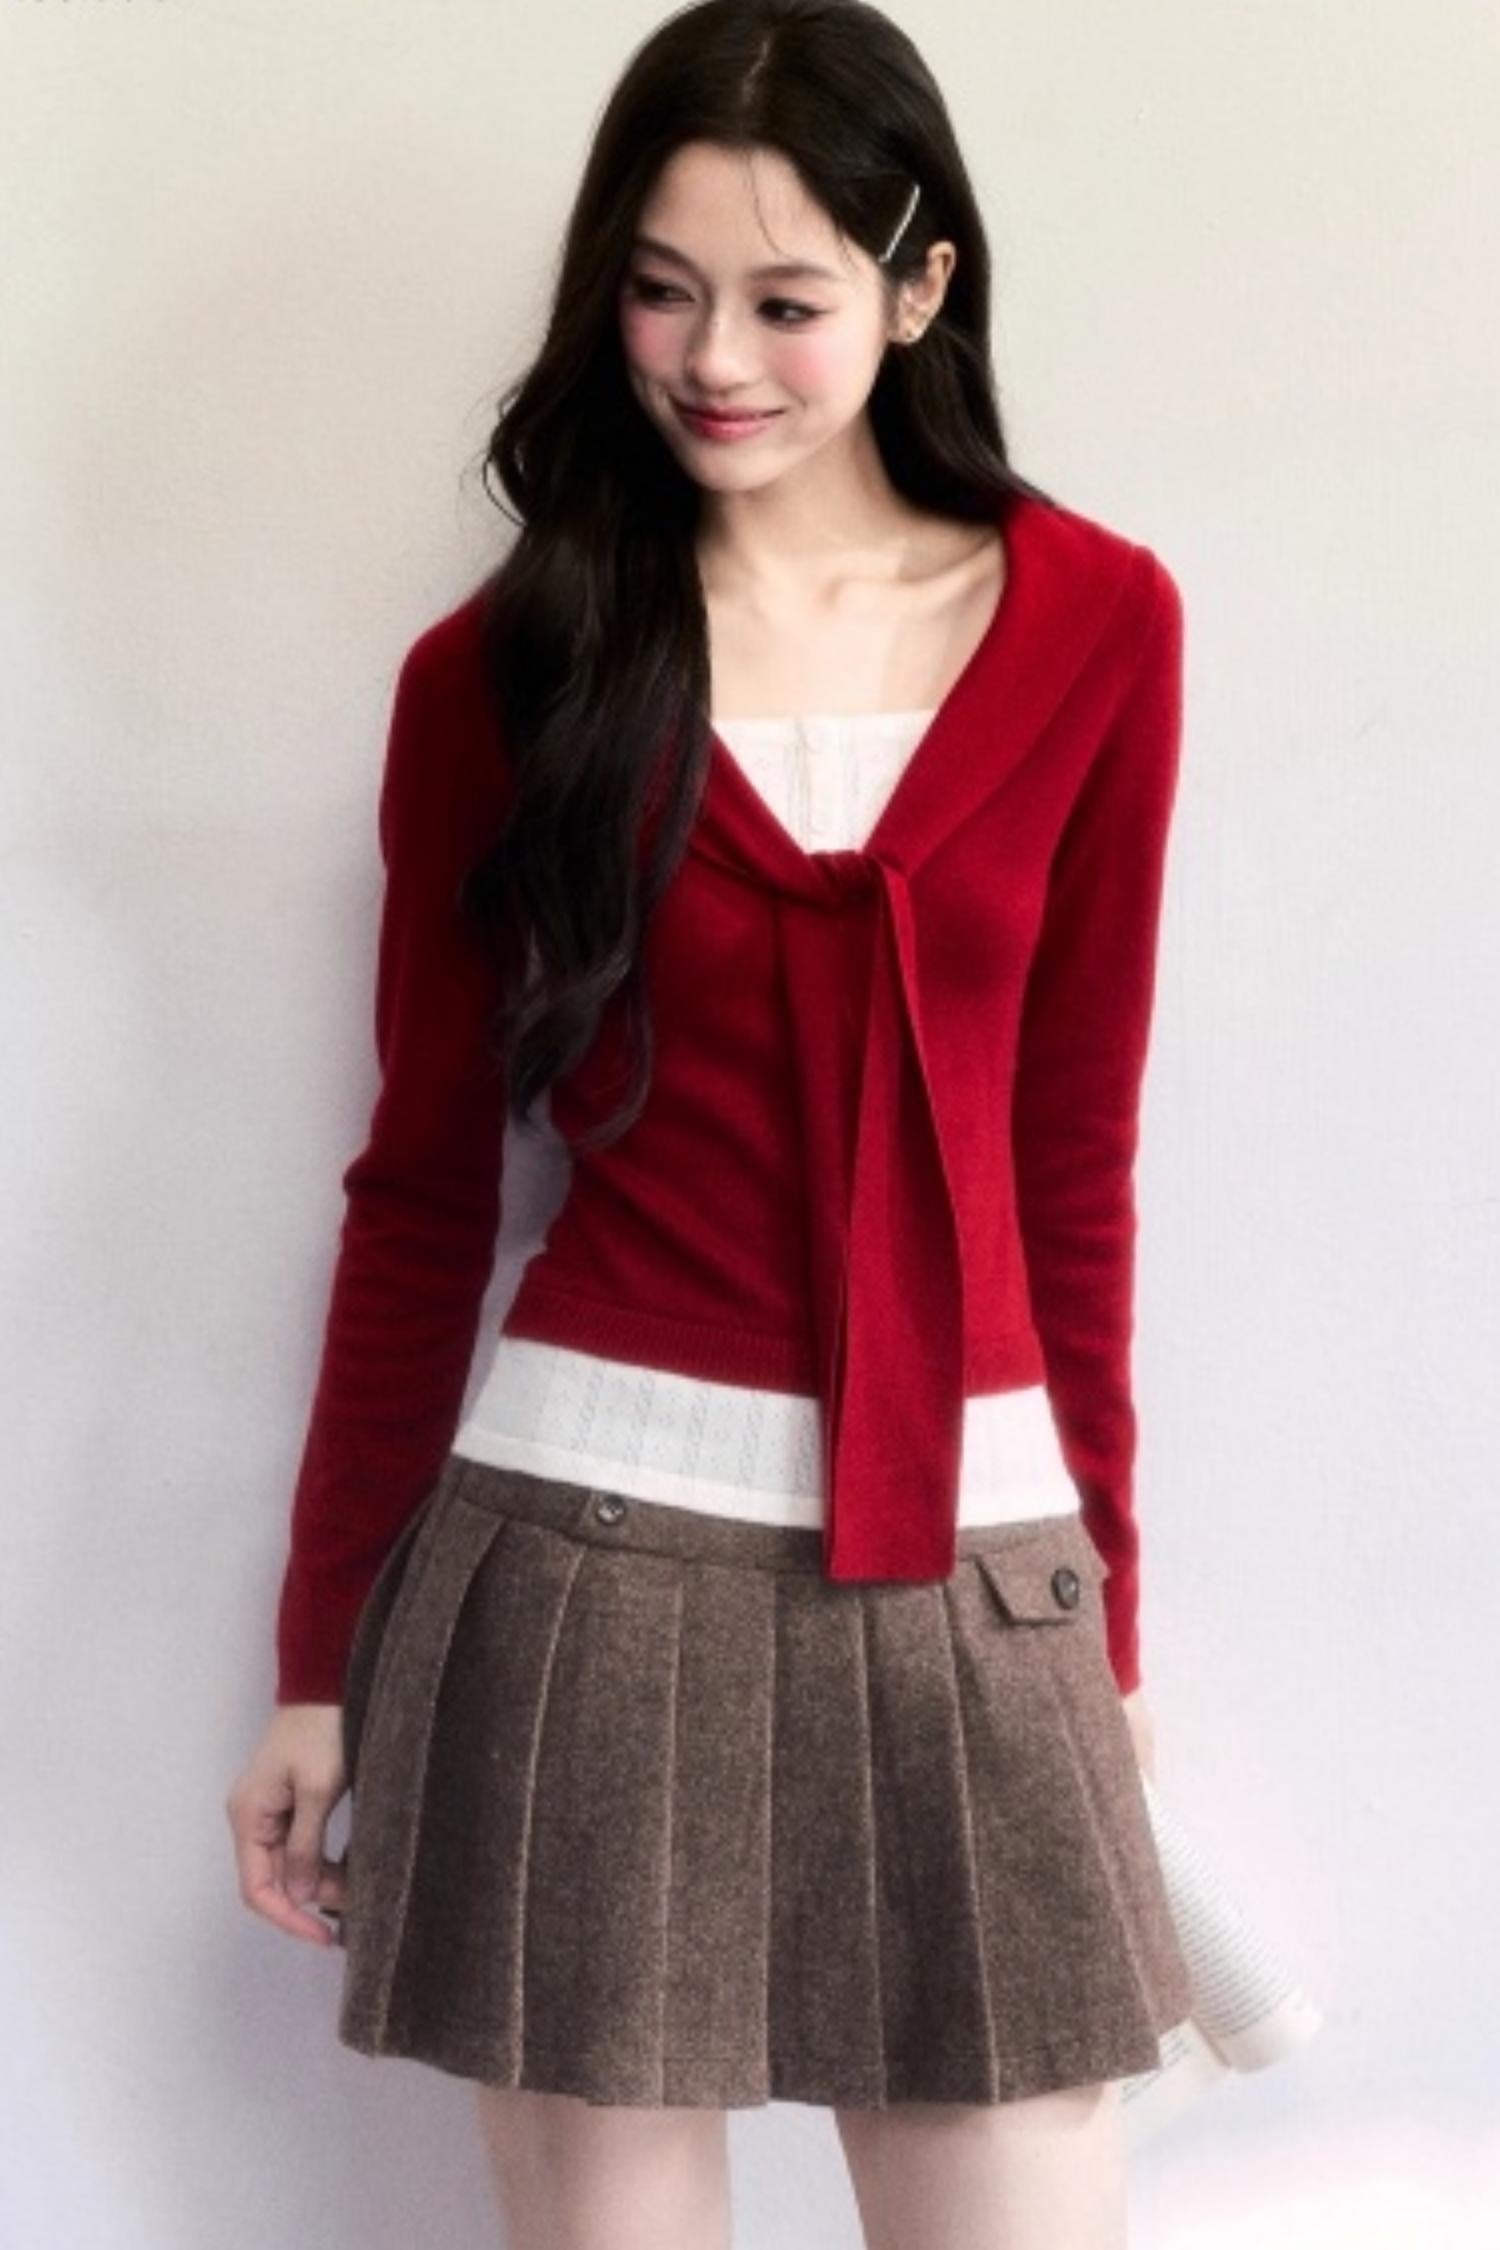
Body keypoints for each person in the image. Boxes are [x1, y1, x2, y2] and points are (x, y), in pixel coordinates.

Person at [226, 2, 1194, 2242]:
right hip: (580, 1570)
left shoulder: (1099, 626)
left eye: (786, 300)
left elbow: (1072, 1165)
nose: (713, 360)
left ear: (920, 286)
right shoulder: (508, 673)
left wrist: (1111, 1621)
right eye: (662, 292)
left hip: (971, 1569)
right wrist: (317, 1654)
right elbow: (421, 1192)